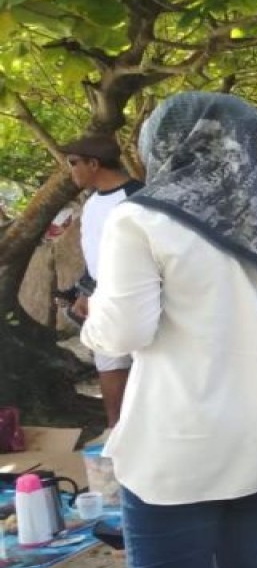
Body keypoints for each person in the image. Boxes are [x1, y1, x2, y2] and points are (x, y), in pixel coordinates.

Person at [80, 91, 257, 568]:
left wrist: (91, 322)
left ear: (165, 145)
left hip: (181, 447)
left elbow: (122, 335)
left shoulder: (140, 219)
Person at [61, 135, 143, 429]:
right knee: (109, 365)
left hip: (137, 300)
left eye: (74, 163)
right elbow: (95, 253)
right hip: (102, 301)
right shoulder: (93, 202)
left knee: (147, 369)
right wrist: (86, 291)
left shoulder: (140, 198)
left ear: (93, 164)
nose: (71, 171)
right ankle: (114, 434)